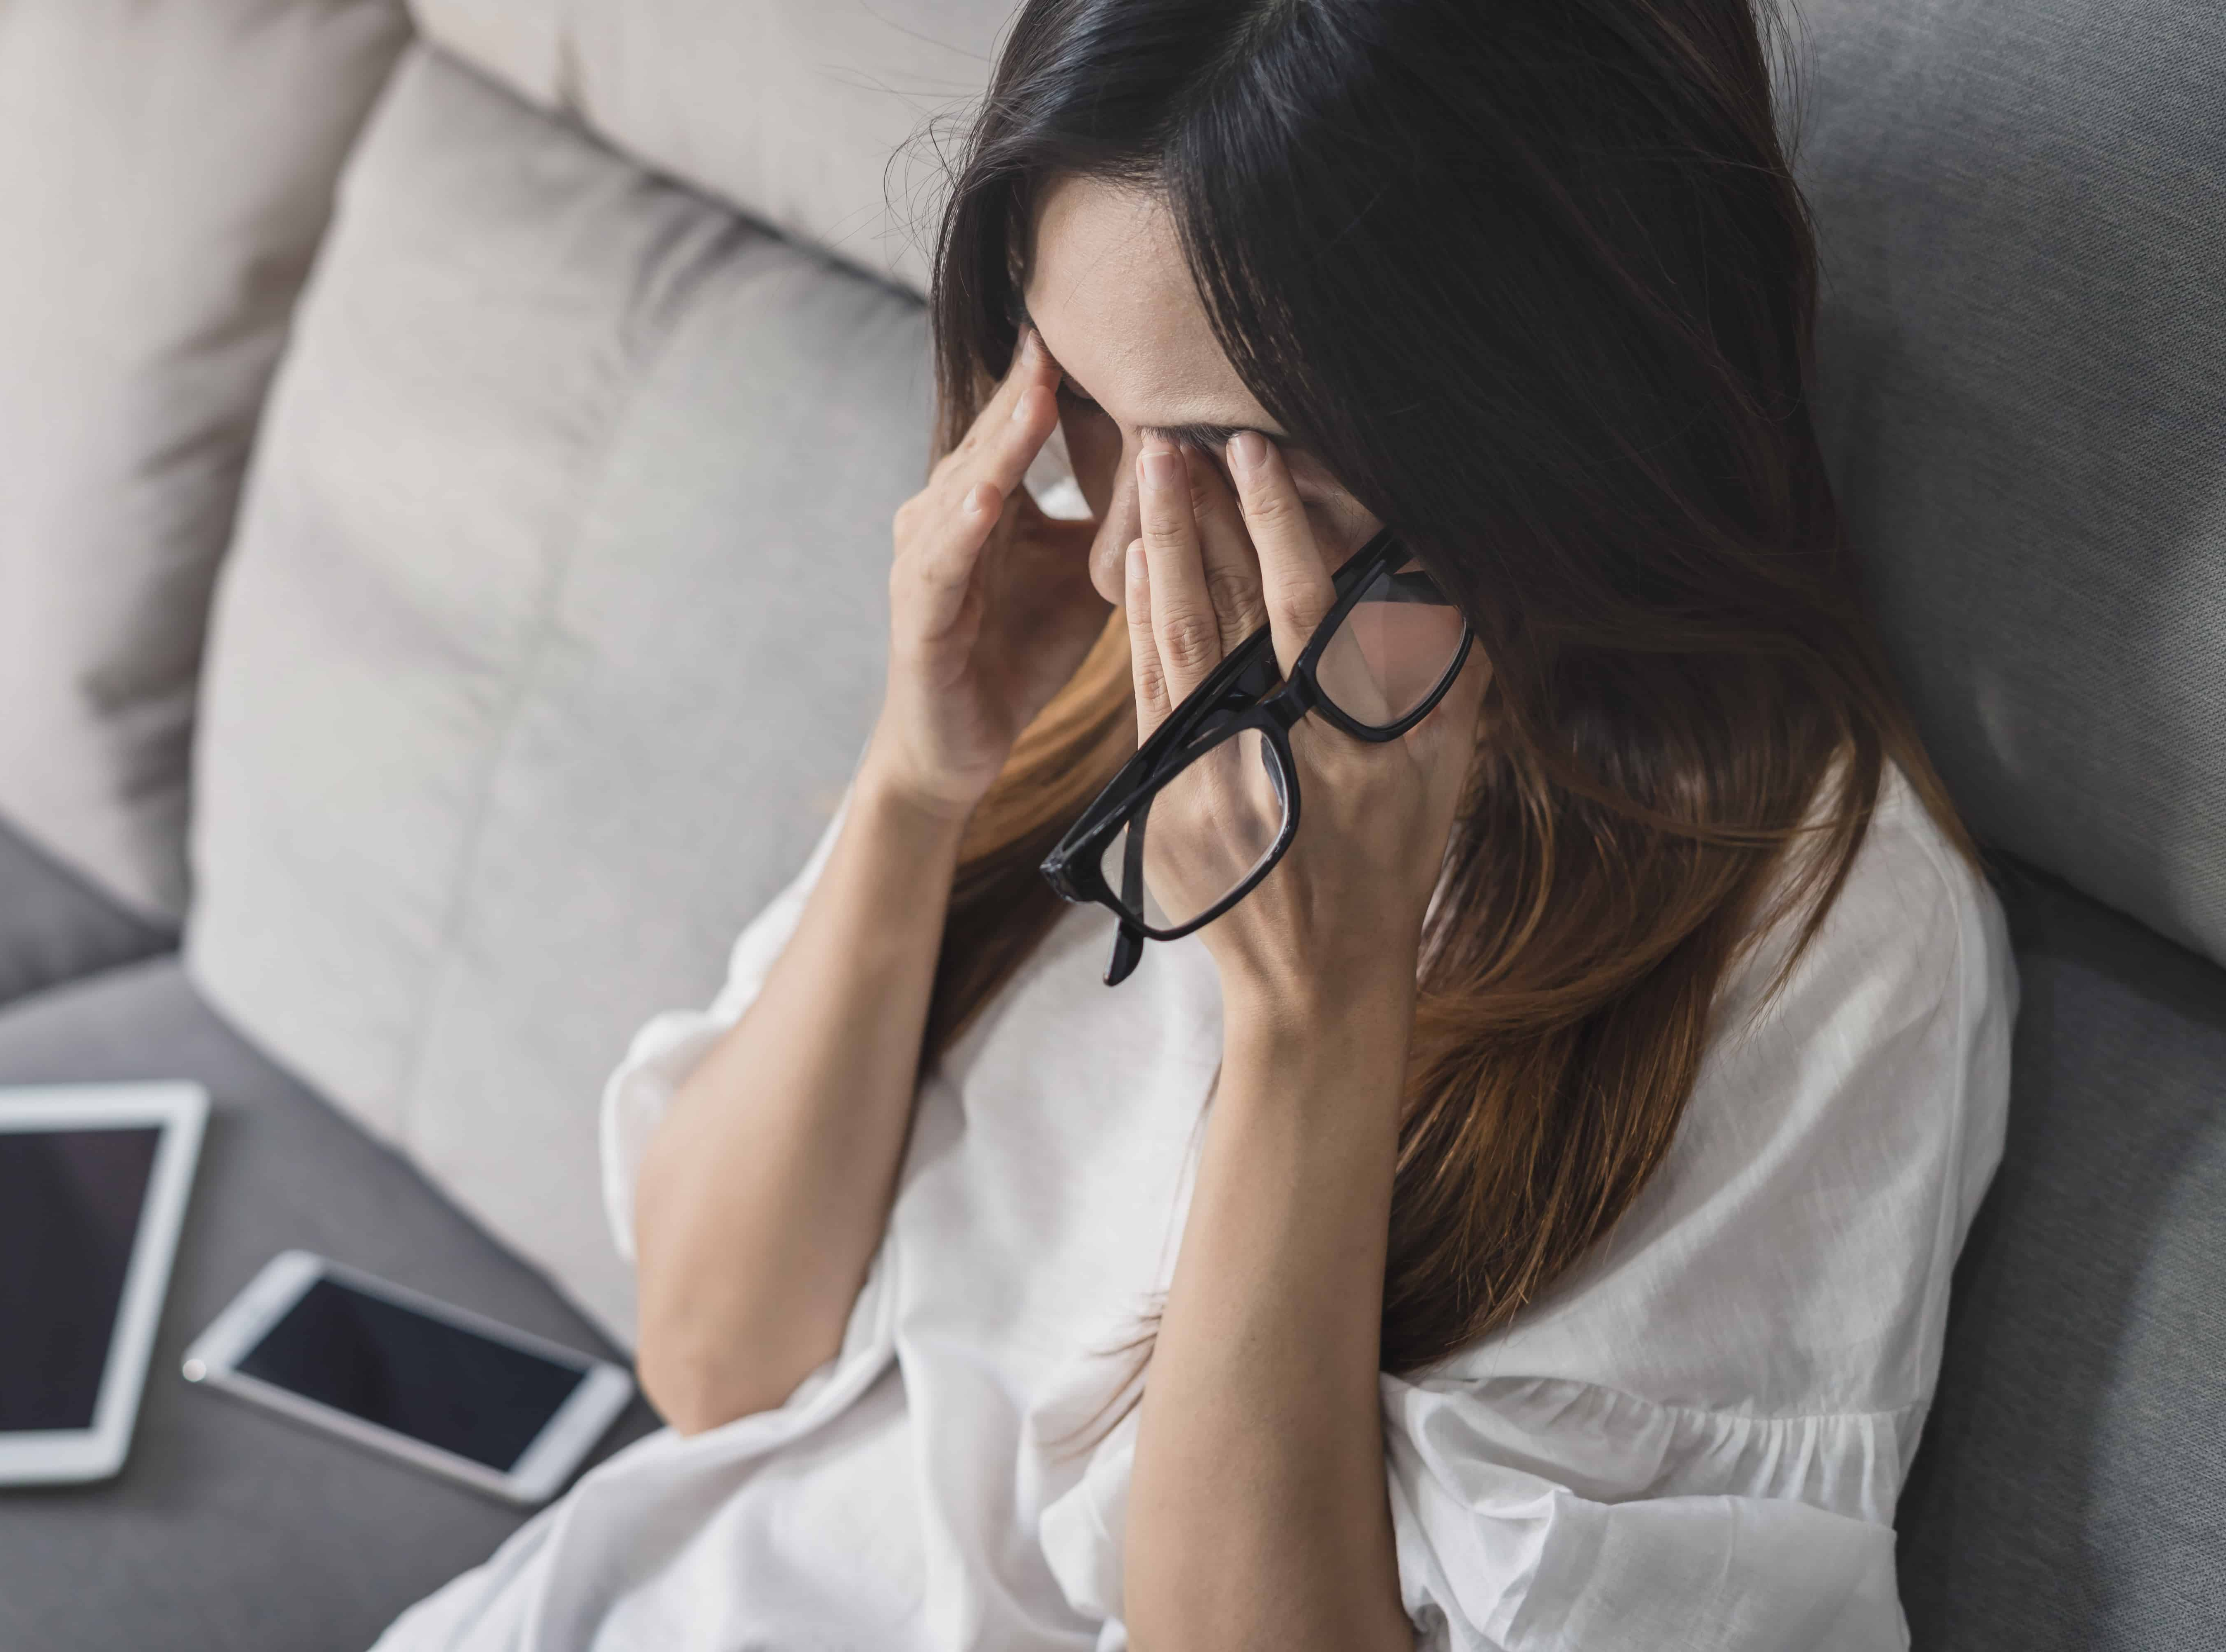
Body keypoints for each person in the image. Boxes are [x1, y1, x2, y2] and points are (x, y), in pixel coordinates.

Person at [375, 0, 2014, 1646]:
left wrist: (1311, 1017)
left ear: (1537, 425)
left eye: (1240, 465)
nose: (1113, 558)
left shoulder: (1814, 939)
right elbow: (714, 1358)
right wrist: (919, 782)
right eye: (1079, 402)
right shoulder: (1122, 658)